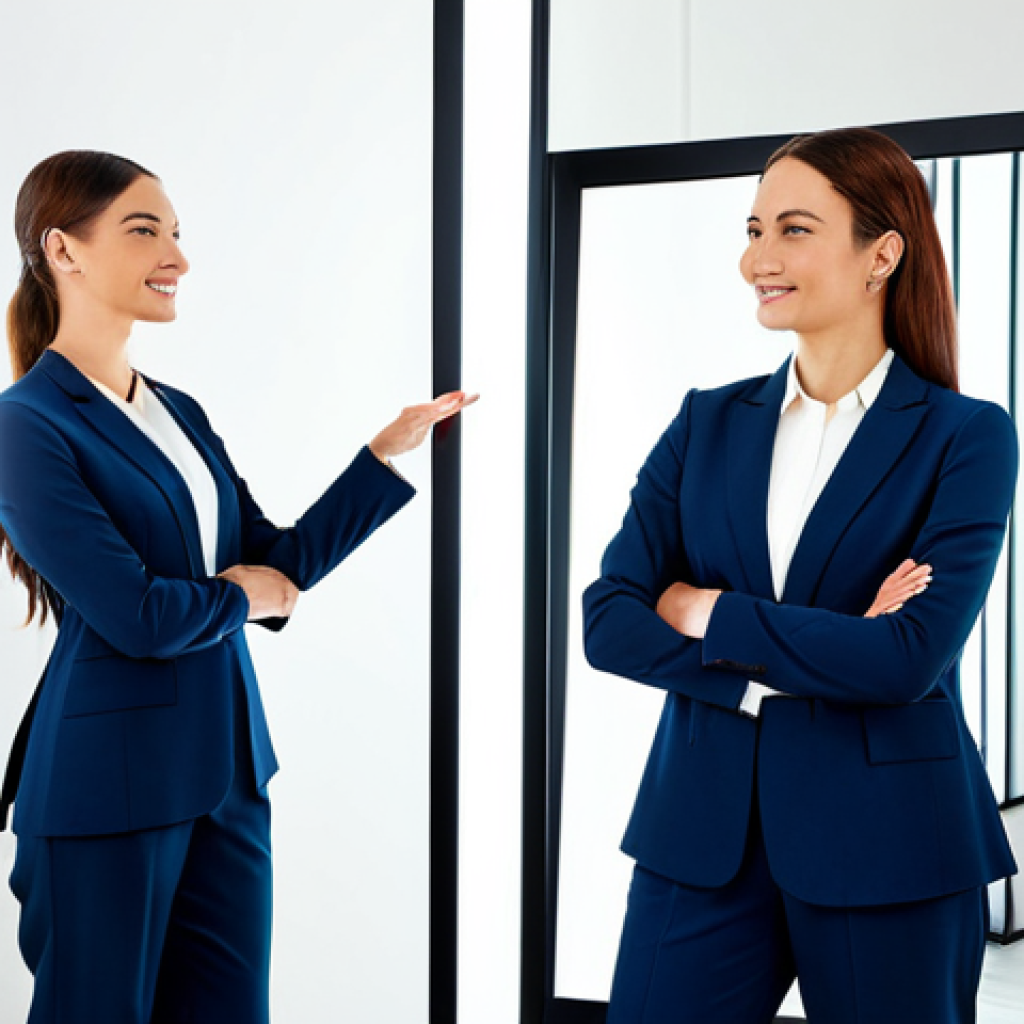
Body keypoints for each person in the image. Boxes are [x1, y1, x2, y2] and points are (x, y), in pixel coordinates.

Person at [0, 150, 476, 1024]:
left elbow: (273, 561)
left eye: (177, 233)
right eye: (145, 231)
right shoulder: (23, 424)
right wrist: (245, 598)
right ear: (62, 250)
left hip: (226, 769)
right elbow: (137, 616)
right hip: (106, 788)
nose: (176, 256)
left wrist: (381, 460)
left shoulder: (176, 409)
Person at [583, 127, 1017, 1024]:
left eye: (792, 230)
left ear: (881, 254)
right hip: (700, 833)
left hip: (892, 837)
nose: (757, 259)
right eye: (752, 230)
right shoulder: (706, 424)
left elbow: (906, 659)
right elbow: (608, 621)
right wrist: (825, 649)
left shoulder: (966, 438)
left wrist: (706, 611)